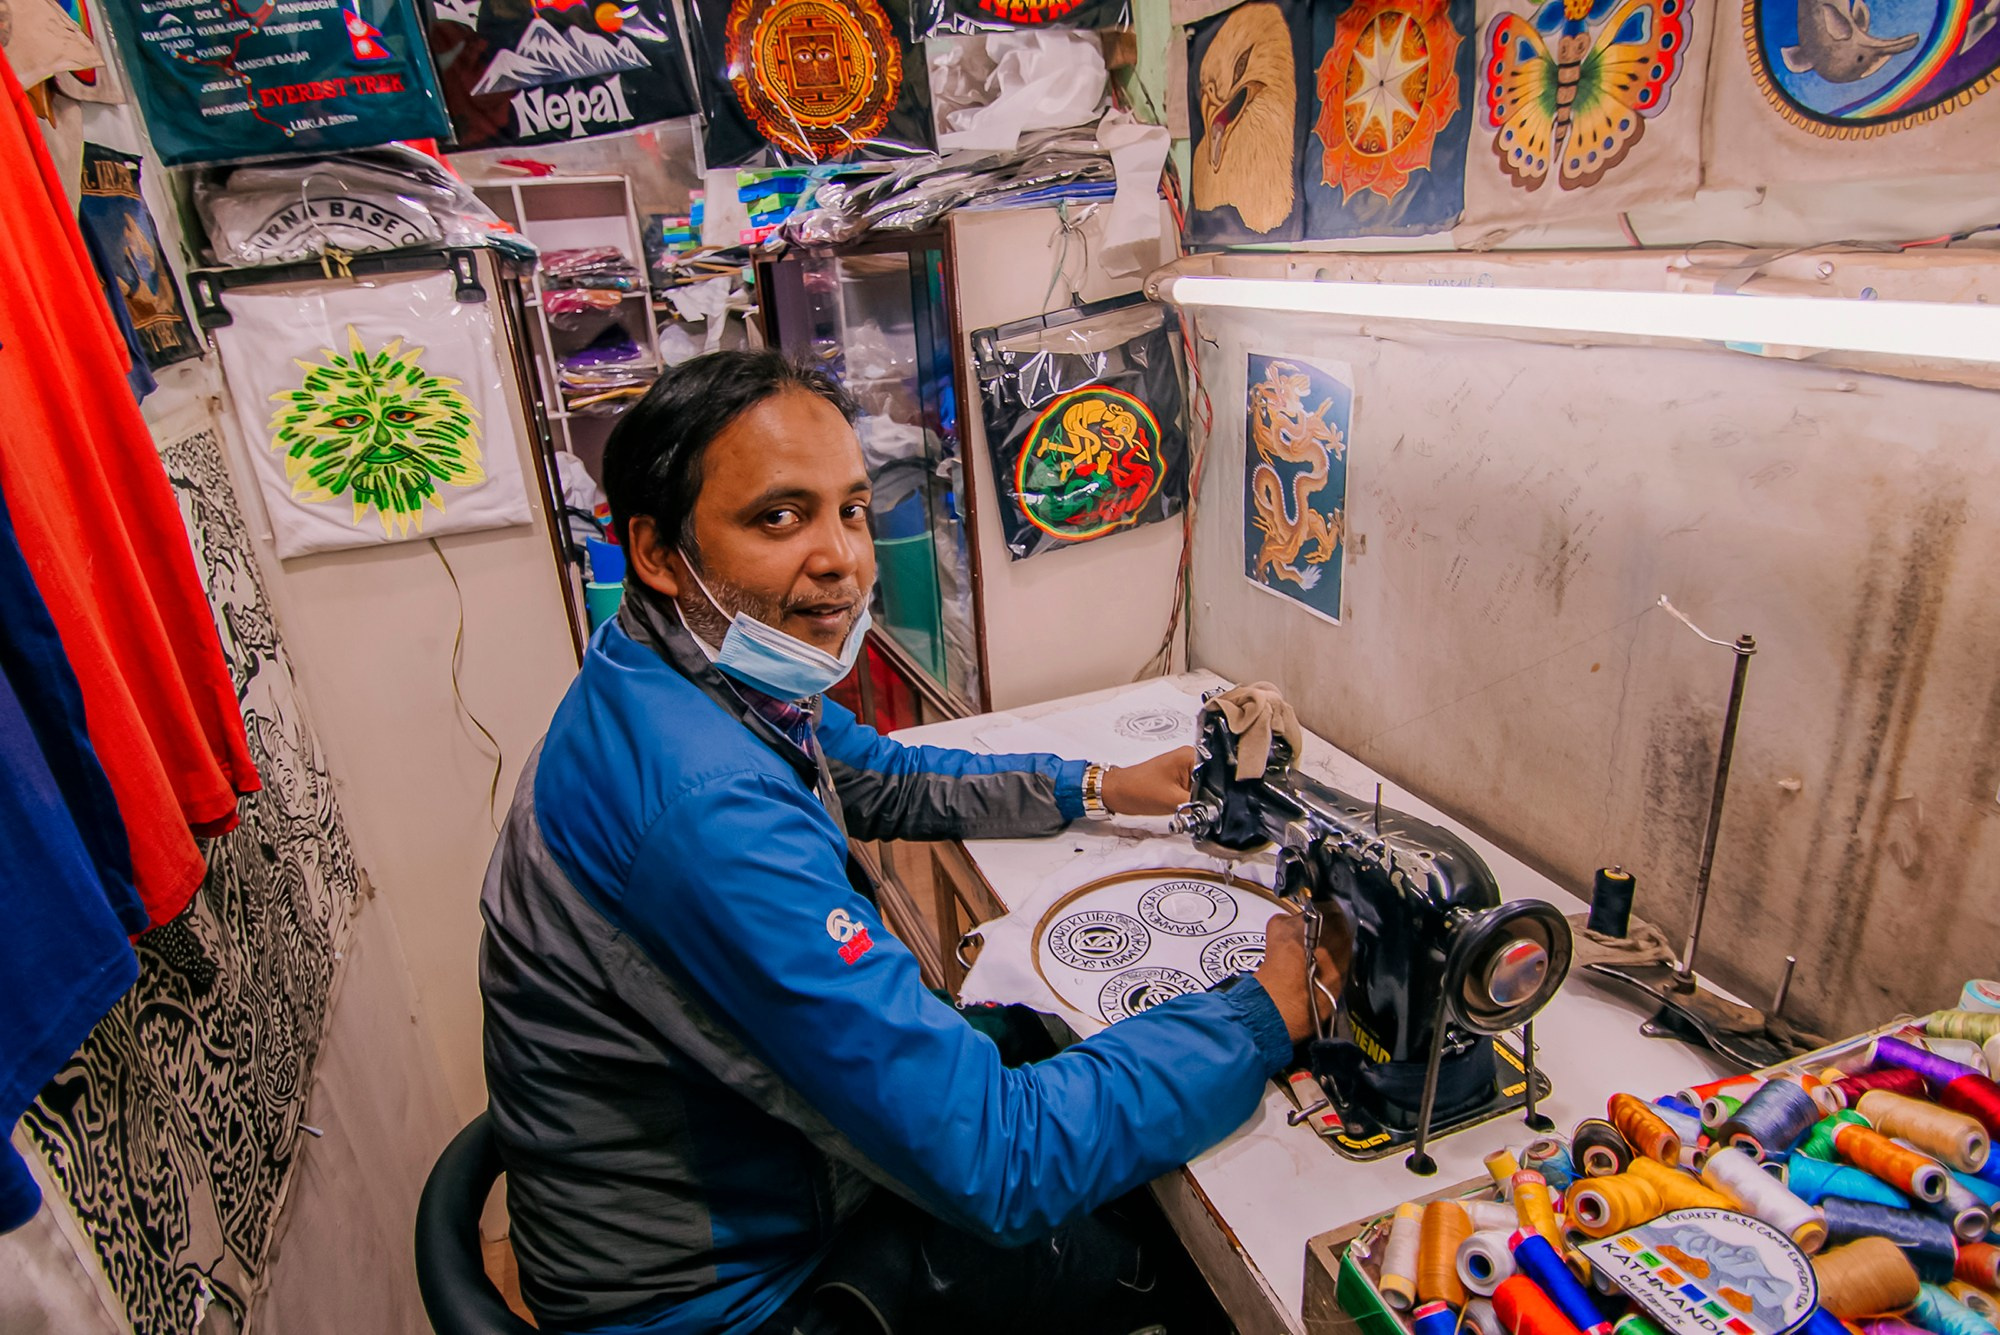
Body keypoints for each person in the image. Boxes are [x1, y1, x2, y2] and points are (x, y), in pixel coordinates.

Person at [479, 350, 1345, 1335]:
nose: (841, 558)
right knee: (1150, 1268)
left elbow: (882, 776)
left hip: (725, 1183)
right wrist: (1259, 1015)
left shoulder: (678, 673)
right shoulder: (704, 806)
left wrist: (1098, 784)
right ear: (659, 551)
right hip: (726, 1300)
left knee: (1037, 1039)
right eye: (777, 517)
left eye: (849, 509)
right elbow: (998, 1163)